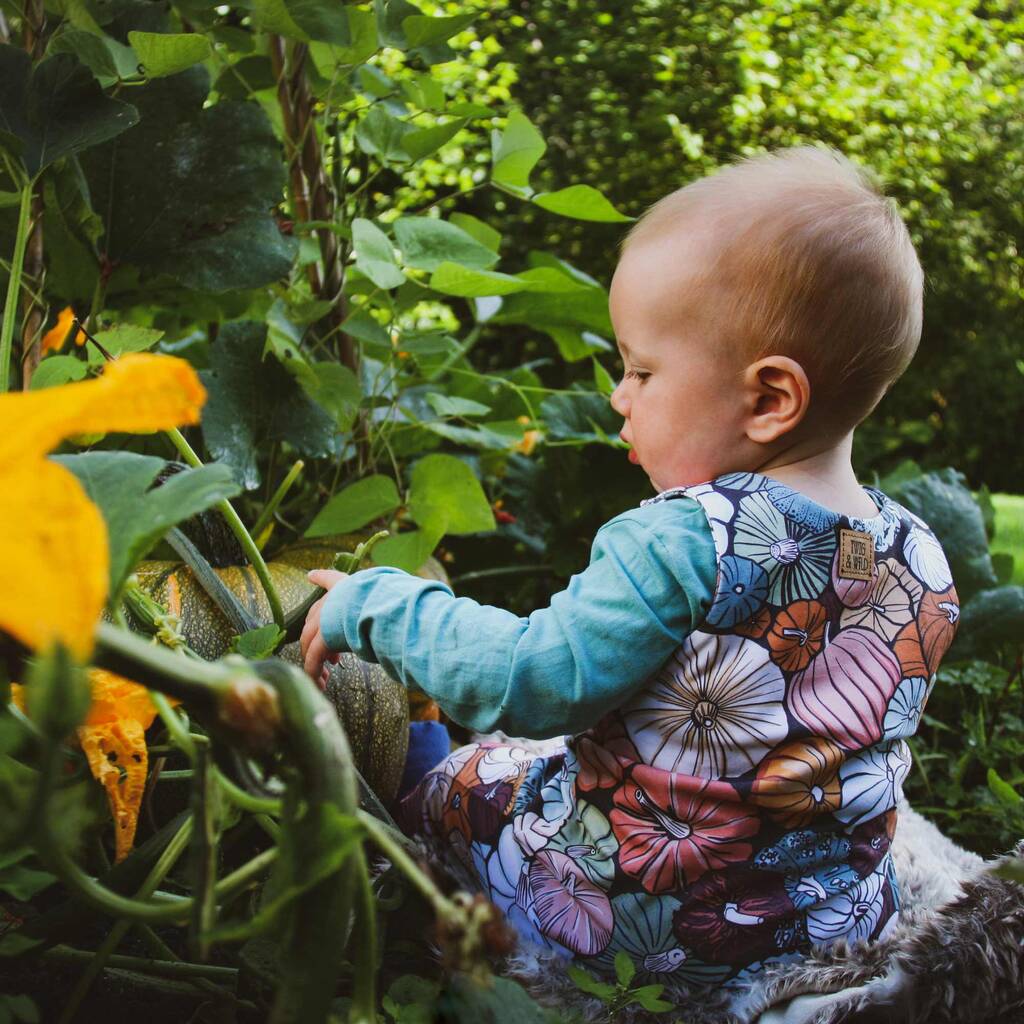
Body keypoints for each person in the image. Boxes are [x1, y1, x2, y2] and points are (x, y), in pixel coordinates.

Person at [299, 145, 961, 991]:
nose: (619, 394)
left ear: (769, 400)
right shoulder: (920, 554)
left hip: (628, 918)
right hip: (823, 918)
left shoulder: (685, 540)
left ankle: (417, 769)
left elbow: (530, 681)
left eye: (642, 370)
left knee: (466, 776)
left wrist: (382, 606)